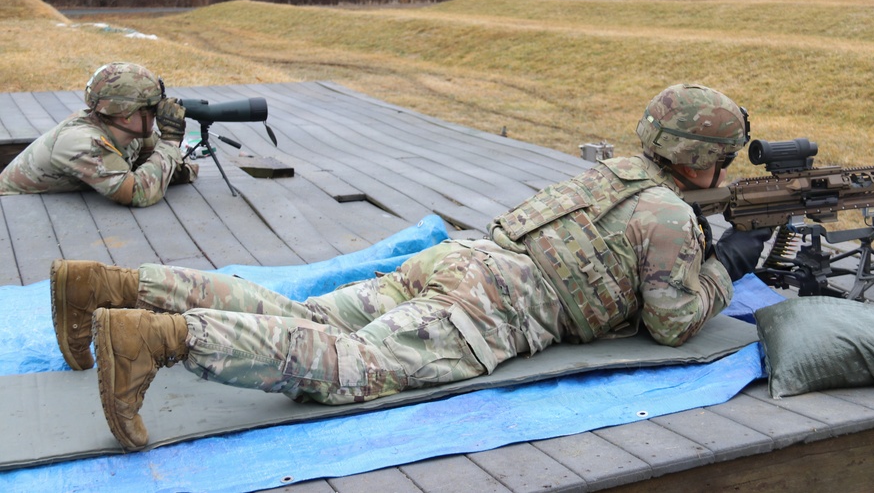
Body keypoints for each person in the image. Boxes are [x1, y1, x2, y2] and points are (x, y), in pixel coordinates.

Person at [50, 83, 771, 450]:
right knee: (352, 365)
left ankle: (109, 285)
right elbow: (673, 320)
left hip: (461, 257)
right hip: (497, 302)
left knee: (305, 313)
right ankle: (158, 340)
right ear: (702, 159)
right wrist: (725, 266)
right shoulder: (671, 217)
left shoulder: (613, 172)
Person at [0, 62, 198, 206]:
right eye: (151, 107)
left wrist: (177, 167)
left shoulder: (127, 132)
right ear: (126, 114)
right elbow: (137, 193)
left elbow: (173, 169)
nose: (157, 113)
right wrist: (171, 141)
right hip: (15, 210)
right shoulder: (83, 142)